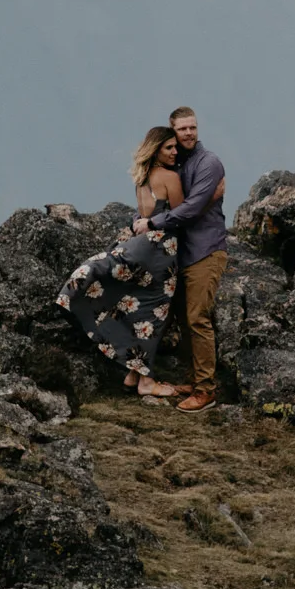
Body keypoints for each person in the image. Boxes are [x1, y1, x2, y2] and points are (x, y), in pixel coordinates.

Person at [55, 126, 186, 397]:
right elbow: (181, 216)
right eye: (169, 147)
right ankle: (147, 383)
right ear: (156, 149)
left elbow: (143, 216)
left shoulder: (141, 178)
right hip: (161, 252)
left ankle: (132, 375)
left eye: (175, 147)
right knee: (152, 314)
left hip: (141, 246)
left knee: (138, 309)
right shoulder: (169, 177)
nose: (176, 152)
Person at [134, 105, 227, 412]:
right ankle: (193, 379)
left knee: (198, 318)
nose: (189, 133)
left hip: (206, 250)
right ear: (172, 132)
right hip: (182, 255)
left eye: (193, 128)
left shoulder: (208, 163)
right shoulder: (176, 164)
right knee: (186, 320)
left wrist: (152, 223)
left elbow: (192, 208)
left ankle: (206, 391)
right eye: (182, 129)